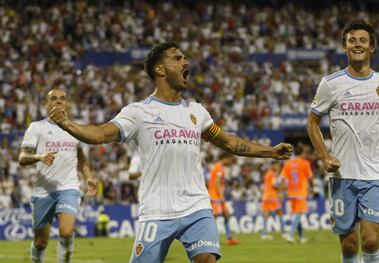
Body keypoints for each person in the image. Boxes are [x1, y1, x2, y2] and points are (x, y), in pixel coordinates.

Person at [49, 42, 293, 263]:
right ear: (160, 70)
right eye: (177, 58)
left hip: (196, 206)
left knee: (207, 258)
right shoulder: (138, 112)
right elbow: (100, 135)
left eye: (184, 57)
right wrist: (67, 124)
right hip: (157, 210)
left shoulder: (196, 111)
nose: (185, 62)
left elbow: (229, 142)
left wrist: (270, 151)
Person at [307, 19, 379, 263]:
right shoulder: (330, 84)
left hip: (375, 173)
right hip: (343, 175)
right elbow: (312, 122)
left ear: (372, 47)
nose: (357, 44)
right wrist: (324, 156)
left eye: (362, 40)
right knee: (349, 247)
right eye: (352, 41)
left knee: (370, 241)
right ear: (345, 46)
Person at [19, 88, 97, 263]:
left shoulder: (75, 128)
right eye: (53, 99)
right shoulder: (36, 128)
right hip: (42, 192)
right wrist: (39, 156)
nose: (59, 101)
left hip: (68, 188)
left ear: (67, 103)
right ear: (47, 105)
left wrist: (89, 178)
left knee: (66, 232)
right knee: (40, 243)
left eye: (62, 98)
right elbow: (22, 158)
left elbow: (82, 159)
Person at [280, 145, 313, 244]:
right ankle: (290, 235)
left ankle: (302, 237)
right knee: (298, 214)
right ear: (302, 153)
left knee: (297, 214)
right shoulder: (305, 163)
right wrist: (312, 187)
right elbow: (310, 177)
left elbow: (282, 179)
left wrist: (281, 192)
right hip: (301, 192)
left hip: (291, 192)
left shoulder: (288, 164)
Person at [208, 152, 239, 245]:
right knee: (214, 218)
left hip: (217, 196)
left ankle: (229, 238)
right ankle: (210, 240)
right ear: (225, 158)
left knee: (226, 214)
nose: (231, 162)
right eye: (230, 160)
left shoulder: (219, 167)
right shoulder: (219, 168)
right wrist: (221, 196)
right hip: (216, 196)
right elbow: (217, 183)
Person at [260, 161, 285, 240]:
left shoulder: (268, 173)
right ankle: (283, 232)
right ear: (273, 165)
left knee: (266, 215)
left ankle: (264, 234)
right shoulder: (272, 174)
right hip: (272, 196)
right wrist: (280, 190)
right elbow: (274, 185)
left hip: (266, 196)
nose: (278, 167)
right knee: (280, 212)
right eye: (277, 165)